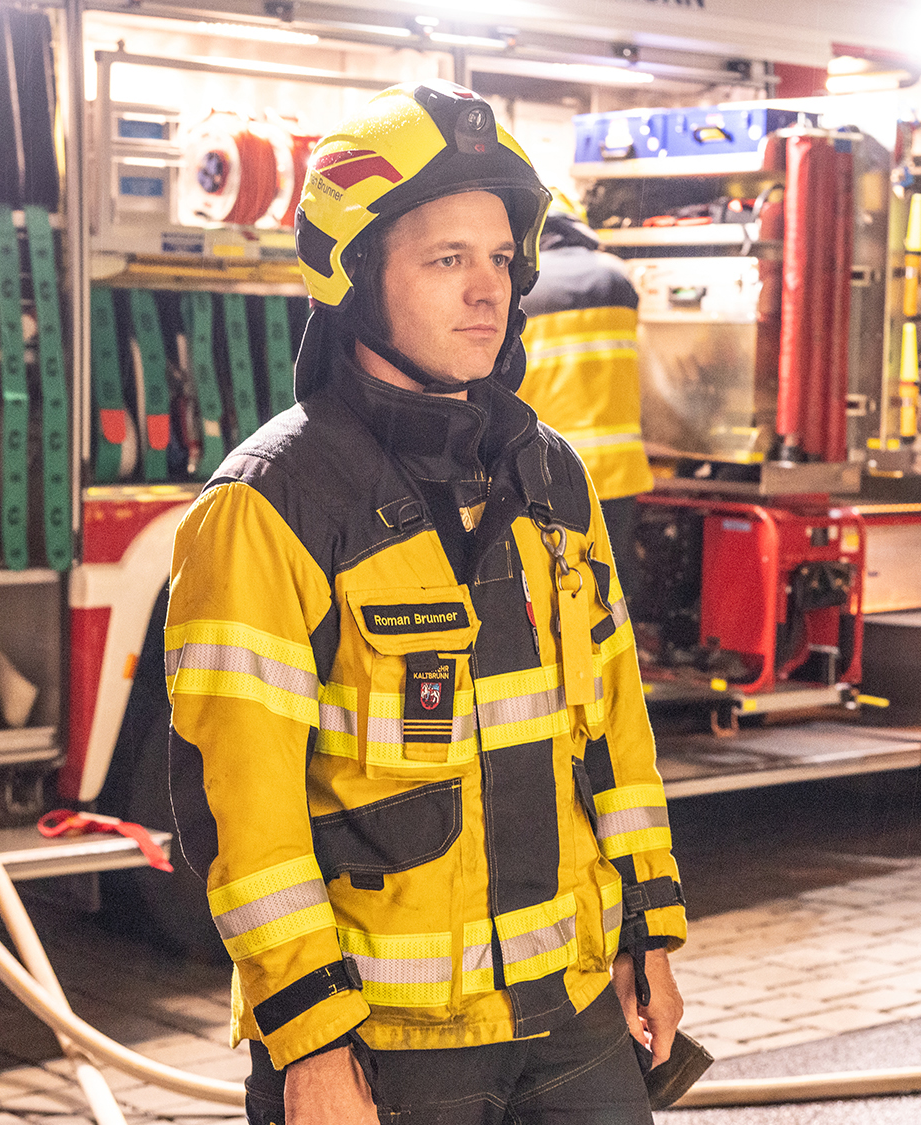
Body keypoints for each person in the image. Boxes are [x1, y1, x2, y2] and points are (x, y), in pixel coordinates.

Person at [164, 81, 686, 1124]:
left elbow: (616, 732)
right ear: (353, 274)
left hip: (577, 1018)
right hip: (386, 1050)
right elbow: (245, 818)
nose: (488, 290)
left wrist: (649, 935)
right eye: (447, 260)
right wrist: (310, 1044)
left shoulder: (552, 476)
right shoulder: (270, 505)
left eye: (499, 258)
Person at [517, 196, 653, 610]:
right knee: (613, 583)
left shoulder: (522, 288)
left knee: (555, 585)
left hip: (551, 469)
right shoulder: (617, 277)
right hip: (619, 467)